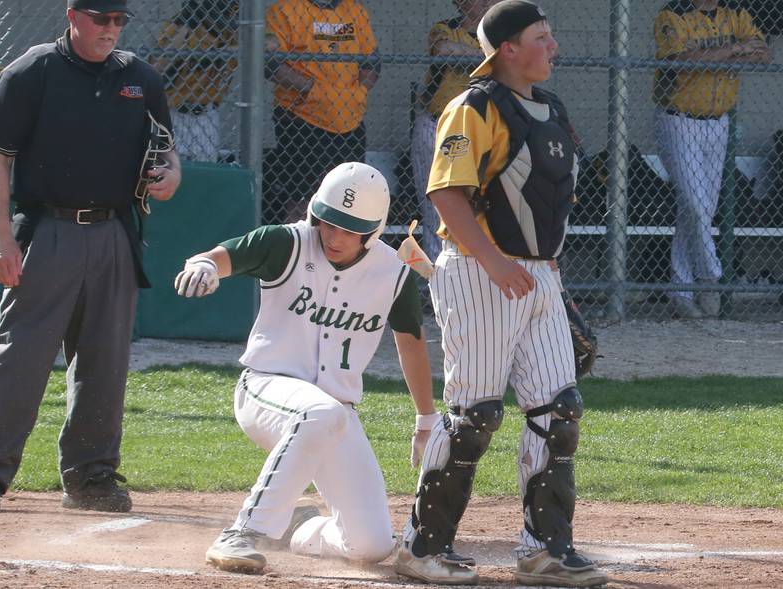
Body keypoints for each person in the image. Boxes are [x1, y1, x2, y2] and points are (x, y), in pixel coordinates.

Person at [392, 2, 608, 587]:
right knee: (474, 414)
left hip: (538, 274)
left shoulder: (552, 108)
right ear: (507, 49)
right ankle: (422, 546)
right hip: (478, 270)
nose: (553, 46)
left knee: (557, 407)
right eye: (541, 37)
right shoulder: (473, 105)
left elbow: (544, 203)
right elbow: (447, 194)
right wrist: (492, 262)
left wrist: (551, 285)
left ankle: (544, 549)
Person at [174, 161, 437, 574]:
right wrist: (204, 266)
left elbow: (411, 342)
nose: (334, 236)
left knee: (369, 544)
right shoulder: (287, 243)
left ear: (373, 232)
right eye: (329, 223)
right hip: (266, 387)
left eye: (350, 229)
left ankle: (300, 528)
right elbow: (220, 257)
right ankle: (243, 533)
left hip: (336, 412)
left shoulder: (393, 273)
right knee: (320, 412)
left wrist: (426, 417)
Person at [0, 0, 181, 514]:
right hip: (46, 229)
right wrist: (1, 238)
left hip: (114, 231)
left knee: (104, 360)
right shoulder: (33, 70)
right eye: (101, 19)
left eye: (119, 21)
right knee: (19, 357)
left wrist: (171, 177)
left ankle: (91, 478)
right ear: (74, 16)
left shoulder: (140, 77)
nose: (111, 30)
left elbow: (167, 154)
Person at [653, 0, 771, 319]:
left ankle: (680, 290)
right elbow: (683, 61)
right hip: (679, 119)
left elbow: (764, 54)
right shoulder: (673, 13)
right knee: (695, 203)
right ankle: (709, 277)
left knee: (697, 208)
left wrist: (724, 53)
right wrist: (735, 49)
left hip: (719, 121)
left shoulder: (736, 13)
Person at [263, 0, 379, 224]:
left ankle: (338, 253)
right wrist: (312, 89)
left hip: (350, 120)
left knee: (348, 196)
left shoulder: (354, 11)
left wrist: (358, 92)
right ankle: (296, 249)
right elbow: (272, 65)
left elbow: (373, 61)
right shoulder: (285, 9)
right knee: (300, 197)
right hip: (302, 119)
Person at [411, 0, 490, 262]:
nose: (484, 3)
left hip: (477, 132)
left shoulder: (498, 36)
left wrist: (474, 56)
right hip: (436, 125)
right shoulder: (445, 28)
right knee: (436, 207)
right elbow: (444, 50)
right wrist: (490, 59)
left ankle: (470, 272)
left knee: (478, 207)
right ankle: (437, 274)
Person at [154, 0, 238, 162]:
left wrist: (216, 51)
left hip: (206, 117)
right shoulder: (180, 25)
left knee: (205, 177)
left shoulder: (232, 30)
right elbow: (157, 67)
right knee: (167, 174)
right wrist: (185, 29)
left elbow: (262, 46)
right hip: (173, 114)